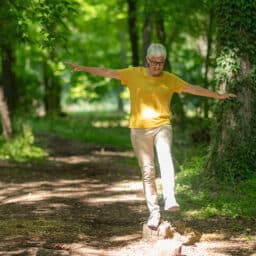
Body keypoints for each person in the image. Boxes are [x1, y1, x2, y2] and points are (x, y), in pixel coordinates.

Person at [64, 43, 236, 230]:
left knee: (165, 159)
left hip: (162, 126)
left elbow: (192, 88)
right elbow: (108, 72)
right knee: (148, 171)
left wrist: (217, 96)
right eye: (154, 62)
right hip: (139, 130)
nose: (157, 66)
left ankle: (170, 197)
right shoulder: (134, 74)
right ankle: (154, 212)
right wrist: (82, 68)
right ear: (147, 60)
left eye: (161, 63)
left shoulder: (169, 79)